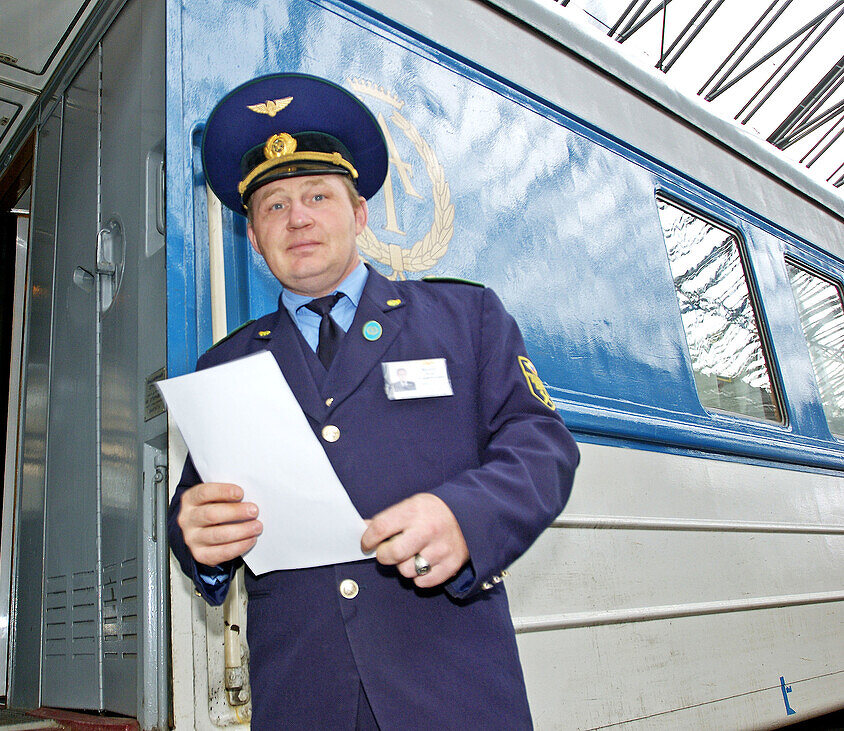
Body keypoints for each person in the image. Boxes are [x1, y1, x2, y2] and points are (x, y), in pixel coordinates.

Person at [168, 73, 579, 729]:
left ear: (360, 214)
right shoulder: (227, 364)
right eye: (272, 206)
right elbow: (201, 510)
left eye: (317, 195)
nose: (296, 216)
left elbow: (543, 449)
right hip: (303, 699)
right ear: (252, 237)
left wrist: (465, 517)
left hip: (452, 692)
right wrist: (195, 538)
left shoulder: (465, 318)